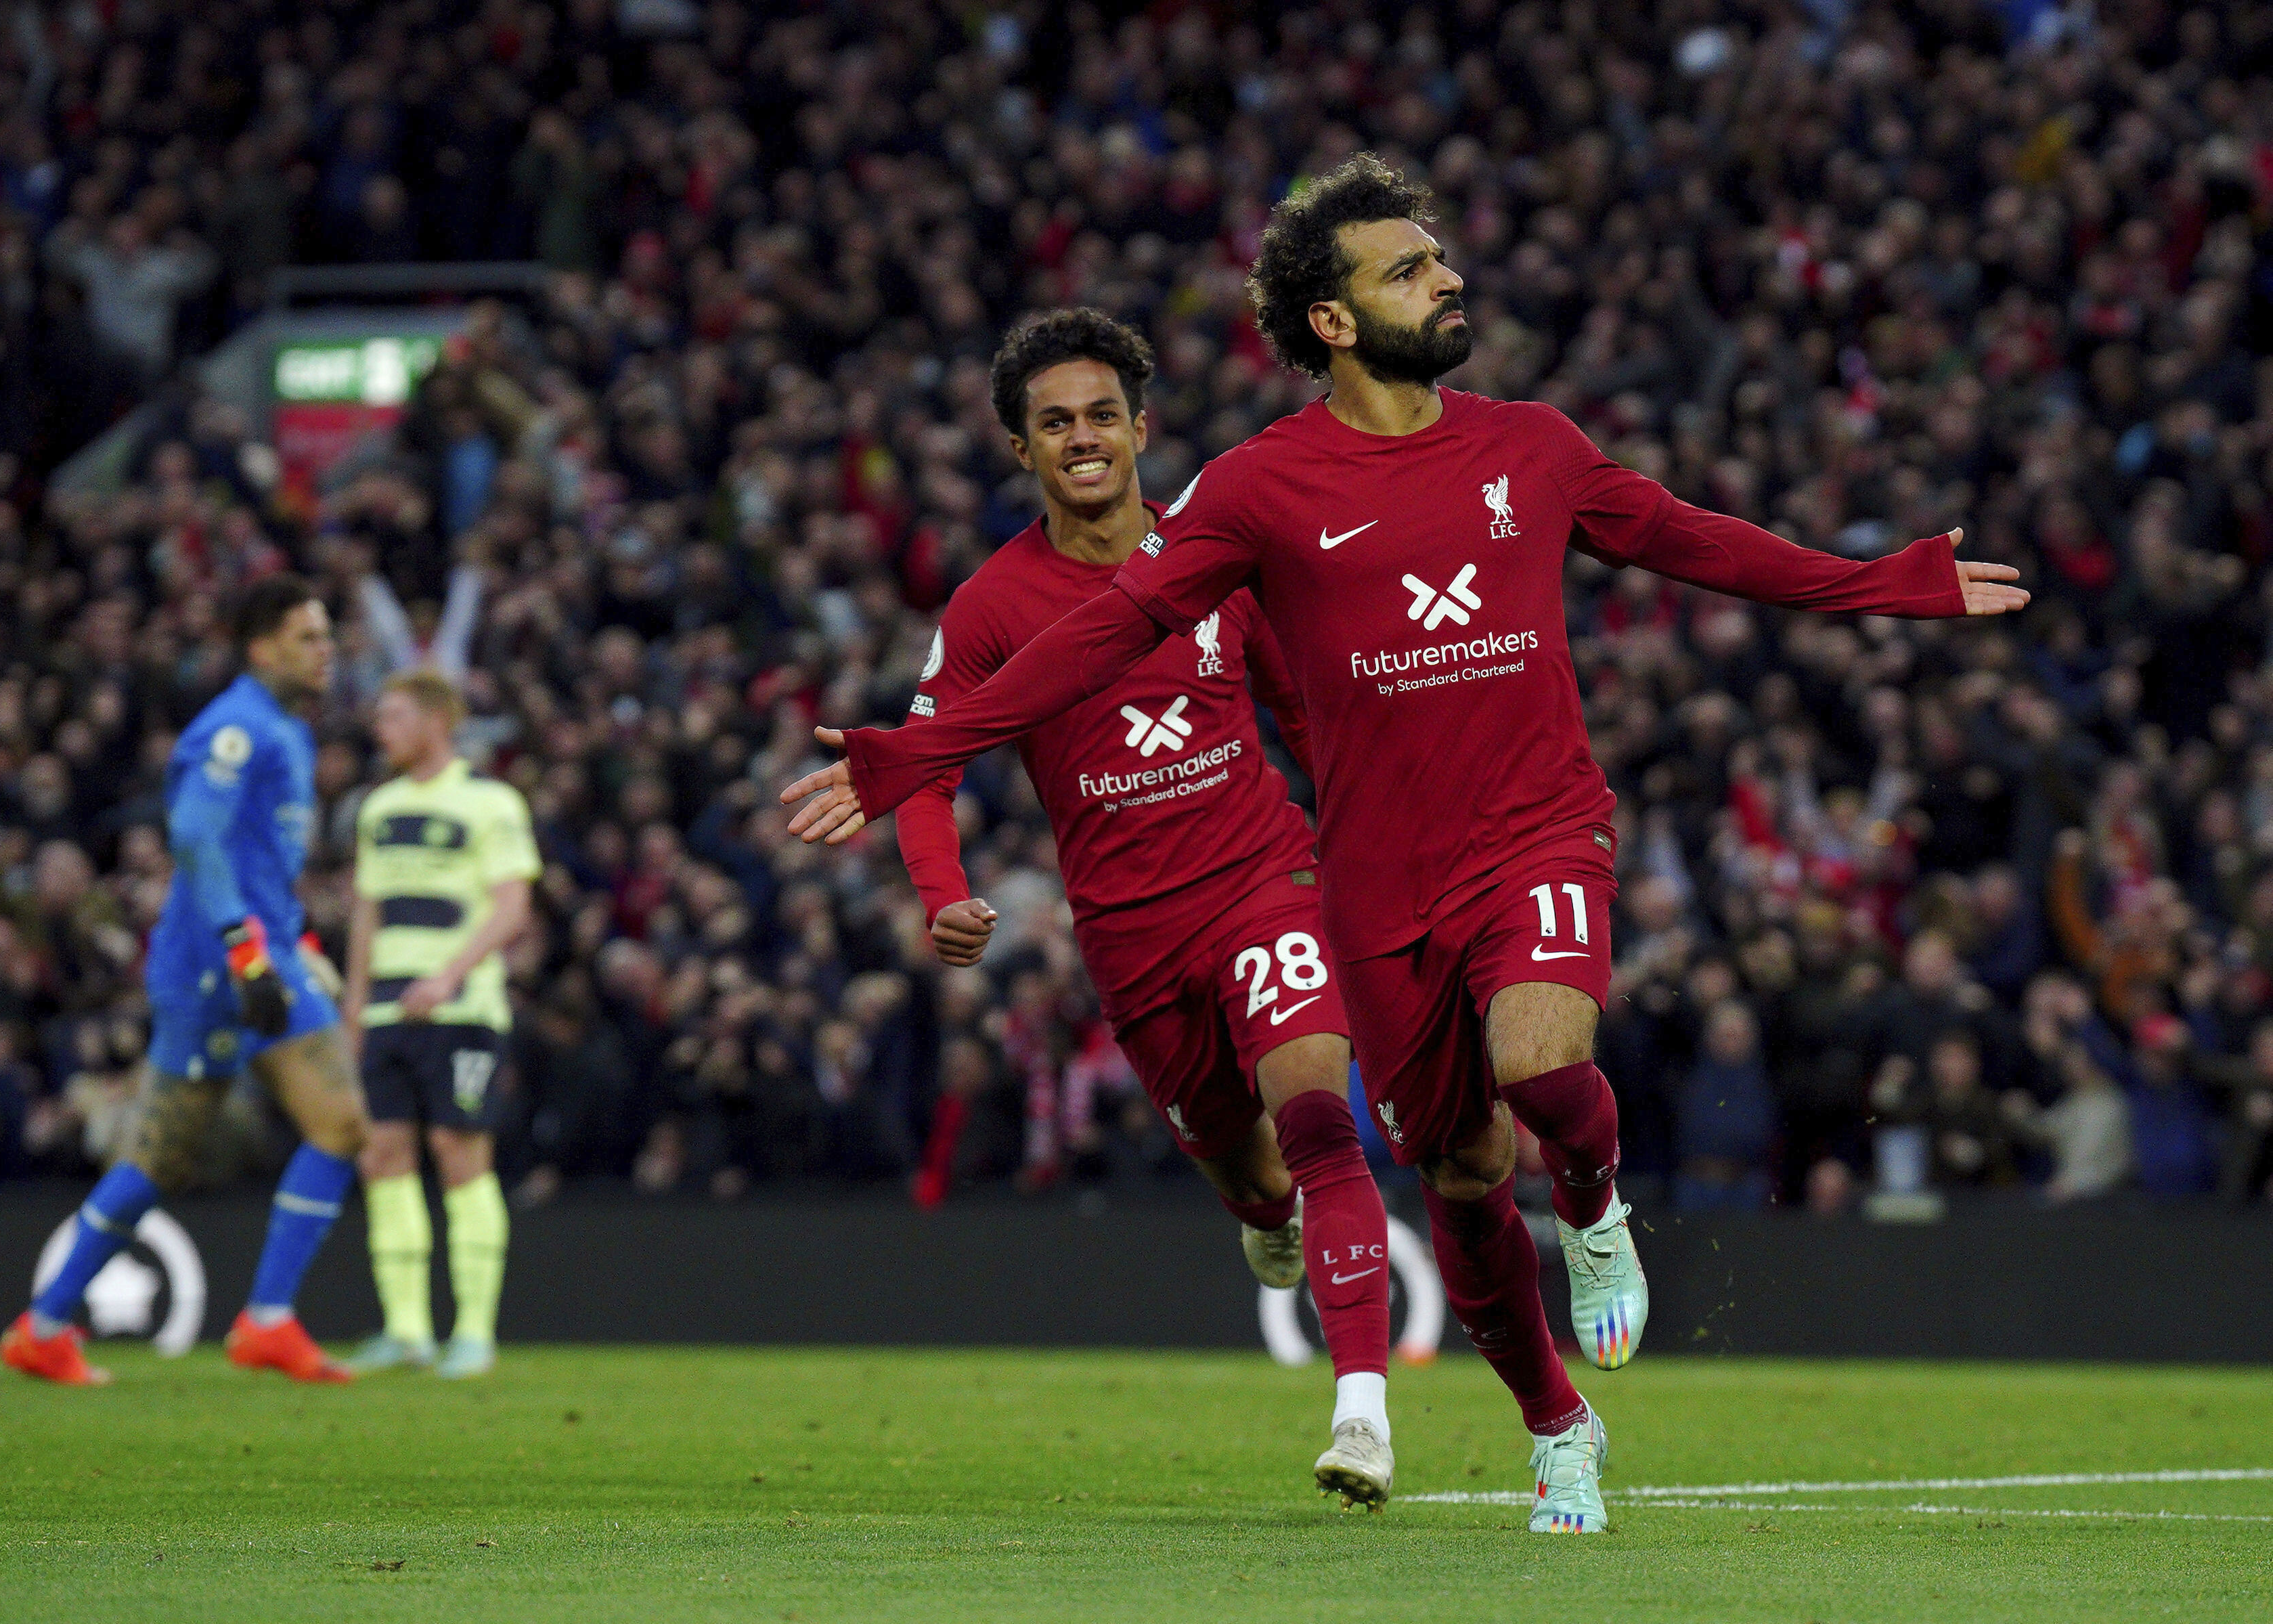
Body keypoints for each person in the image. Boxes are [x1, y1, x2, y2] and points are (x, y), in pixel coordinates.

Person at [782, 154, 2029, 1532]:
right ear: (1330, 318)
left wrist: (1879, 579)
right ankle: (1557, 1421)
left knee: (1542, 1065)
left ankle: (1598, 1205)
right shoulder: (1257, 489)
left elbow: (1694, 542)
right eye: (1409, 267)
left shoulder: (1532, 446)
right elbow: (1104, 631)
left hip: (1535, 827)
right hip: (1379, 884)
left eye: (1439, 258)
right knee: (1458, 1175)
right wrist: (924, 746)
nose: (1447, 280)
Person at [894, 309, 1411, 1507]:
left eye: (1100, 415)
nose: (1083, 438)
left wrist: (1377, 835)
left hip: (1261, 882)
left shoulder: (1220, 553)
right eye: (1054, 422)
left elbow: (1306, 710)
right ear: (1021, 449)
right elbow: (925, 763)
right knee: (1246, 1167)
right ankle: (1259, 1207)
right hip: (1131, 939)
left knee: (1323, 1123)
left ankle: (1364, 1411)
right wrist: (945, 891)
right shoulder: (987, 609)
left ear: (1141, 426)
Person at [1, 576, 367, 1385]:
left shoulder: (289, 731)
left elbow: (259, 863)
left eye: (326, 635)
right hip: (214, 970)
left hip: (259, 957)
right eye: (308, 636)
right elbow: (194, 836)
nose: (325, 650)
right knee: (164, 1159)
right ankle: (49, 1321)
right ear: (261, 645)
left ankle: (261, 1319)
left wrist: (296, 937)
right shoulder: (235, 728)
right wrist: (245, 949)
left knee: (337, 1123)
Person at [343, 670, 539, 1380]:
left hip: (460, 1010)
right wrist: (354, 1009)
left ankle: (474, 1334)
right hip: (387, 1011)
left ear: (436, 721)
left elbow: (512, 906)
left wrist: (449, 974)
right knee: (383, 1156)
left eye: (393, 715)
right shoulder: (377, 807)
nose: (380, 727)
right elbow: (366, 913)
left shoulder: (490, 801)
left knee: (460, 1154)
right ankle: (406, 1330)